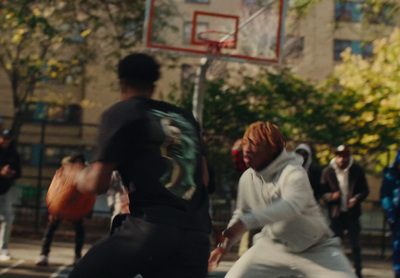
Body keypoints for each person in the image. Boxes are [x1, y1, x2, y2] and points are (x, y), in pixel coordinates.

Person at [67, 53, 211, 278]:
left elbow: (97, 183)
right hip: (196, 234)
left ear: (122, 82)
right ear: (154, 85)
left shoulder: (122, 112)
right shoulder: (185, 118)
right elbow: (203, 180)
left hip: (150, 228)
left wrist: (76, 175)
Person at [209, 121, 356, 278]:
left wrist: (246, 221)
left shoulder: (293, 172)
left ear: (271, 149)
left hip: (315, 248)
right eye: (245, 142)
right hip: (273, 245)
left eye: (254, 143)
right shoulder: (247, 178)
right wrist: (223, 245)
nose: (246, 148)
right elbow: (242, 212)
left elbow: (290, 207)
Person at [320, 145, 370, 278]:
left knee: (355, 245)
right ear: (336, 157)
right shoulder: (328, 171)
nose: (342, 159)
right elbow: (322, 192)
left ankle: (358, 272)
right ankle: (337, 272)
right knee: (336, 245)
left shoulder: (357, 170)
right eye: (339, 156)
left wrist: (356, 199)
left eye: (344, 155)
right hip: (336, 214)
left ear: (349, 156)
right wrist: (331, 196)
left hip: (352, 213)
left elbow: (365, 190)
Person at [36, 151, 88, 266]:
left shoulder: (86, 175)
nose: (78, 164)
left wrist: (87, 214)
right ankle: (44, 254)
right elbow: (54, 191)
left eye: (80, 161)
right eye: (75, 161)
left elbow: (89, 195)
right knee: (50, 229)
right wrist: (51, 210)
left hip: (77, 208)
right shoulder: (62, 173)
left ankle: (77, 256)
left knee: (80, 231)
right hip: (61, 206)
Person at [0, 129, 21, 261]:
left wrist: (11, 173)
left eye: (8, 138)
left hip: (5, 190)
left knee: (7, 218)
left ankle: (3, 248)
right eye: (4, 138)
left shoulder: (13, 153)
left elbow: (19, 171)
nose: (6, 141)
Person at [381, 150, 400, 278]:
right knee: (398, 245)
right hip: (397, 216)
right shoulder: (390, 176)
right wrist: (390, 210)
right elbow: (385, 195)